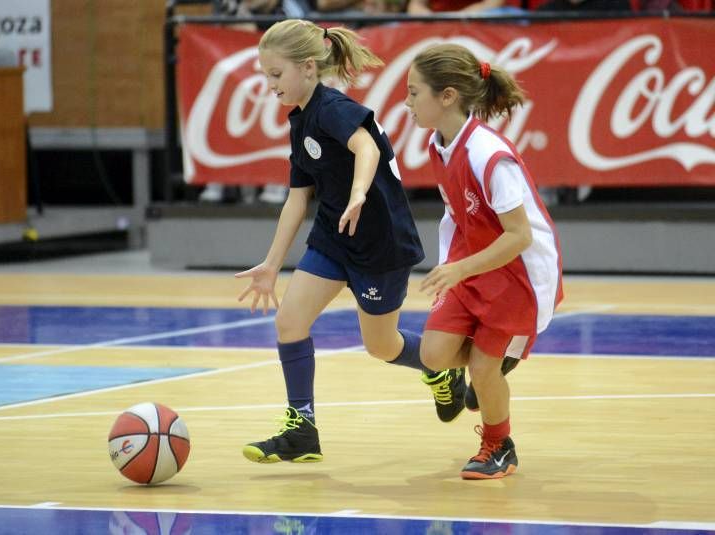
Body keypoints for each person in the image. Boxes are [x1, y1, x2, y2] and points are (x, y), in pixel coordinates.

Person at [236, 19, 466, 464]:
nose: (270, 85)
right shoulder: (301, 121)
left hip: (380, 242)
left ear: (307, 68)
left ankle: (441, 370)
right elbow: (296, 200)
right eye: (265, 75)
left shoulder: (332, 108)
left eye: (276, 74)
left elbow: (367, 148)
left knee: (381, 346)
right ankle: (302, 430)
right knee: (289, 322)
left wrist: (360, 192)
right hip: (334, 235)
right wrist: (270, 264)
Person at [405, 44, 563, 479]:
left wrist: (458, 269)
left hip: (519, 275)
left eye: (414, 93)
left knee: (482, 368)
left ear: (448, 96)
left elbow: (519, 236)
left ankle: (499, 445)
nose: (407, 103)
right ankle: (489, 364)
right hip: (474, 264)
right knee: (434, 356)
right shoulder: (440, 145)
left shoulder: (488, 155)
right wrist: (451, 263)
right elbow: (459, 214)